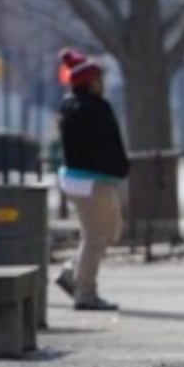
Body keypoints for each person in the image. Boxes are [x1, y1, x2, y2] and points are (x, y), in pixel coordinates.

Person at [54, 49, 130, 312]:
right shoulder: (95, 108)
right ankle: (85, 293)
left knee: (109, 231)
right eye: (99, 79)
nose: (102, 83)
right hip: (92, 181)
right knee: (96, 237)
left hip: (80, 180)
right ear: (90, 81)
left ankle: (72, 274)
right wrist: (121, 167)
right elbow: (107, 144)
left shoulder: (69, 106)